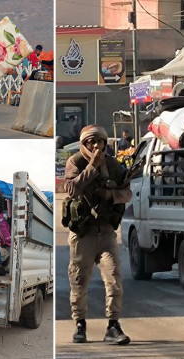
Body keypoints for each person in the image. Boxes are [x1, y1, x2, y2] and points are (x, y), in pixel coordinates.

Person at [64, 125, 132, 345]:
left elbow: (127, 193)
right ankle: (80, 324)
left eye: (99, 142)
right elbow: (72, 189)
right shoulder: (76, 162)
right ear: (83, 144)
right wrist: (92, 167)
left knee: (114, 279)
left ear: (105, 143)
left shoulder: (113, 165)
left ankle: (113, 325)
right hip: (83, 234)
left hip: (106, 232)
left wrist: (110, 194)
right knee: (79, 280)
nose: (95, 146)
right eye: (90, 142)